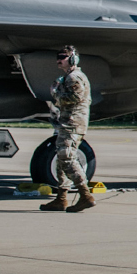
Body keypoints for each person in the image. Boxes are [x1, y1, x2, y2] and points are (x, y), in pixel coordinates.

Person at [42, 45, 96, 213]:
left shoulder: (74, 77)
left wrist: (56, 93)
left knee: (66, 158)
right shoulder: (69, 77)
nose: (59, 60)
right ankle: (61, 198)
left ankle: (85, 195)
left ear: (73, 59)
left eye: (63, 57)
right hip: (68, 122)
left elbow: (74, 98)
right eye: (58, 57)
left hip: (72, 123)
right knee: (61, 159)